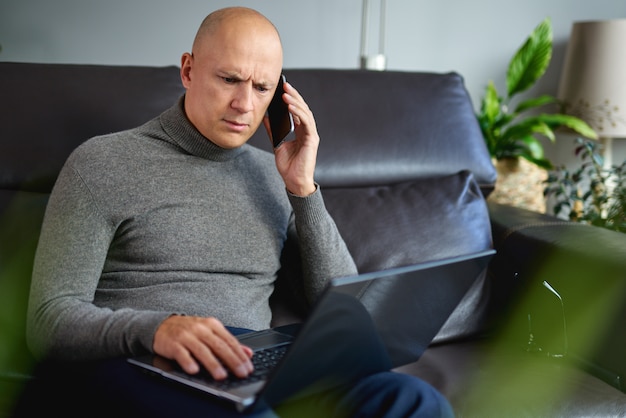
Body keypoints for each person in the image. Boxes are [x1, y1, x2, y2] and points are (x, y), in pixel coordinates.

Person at [21, 6, 454, 418]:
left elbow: (349, 313)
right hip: (138, 361)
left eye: (262, 88)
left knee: (414, 400)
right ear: (188, 70)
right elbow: (49, 319)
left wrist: (303, 190)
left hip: (251, 367)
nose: (245, 104)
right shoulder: (102, 162)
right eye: (230, 79)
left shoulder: (273, 176)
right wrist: (158, 328)